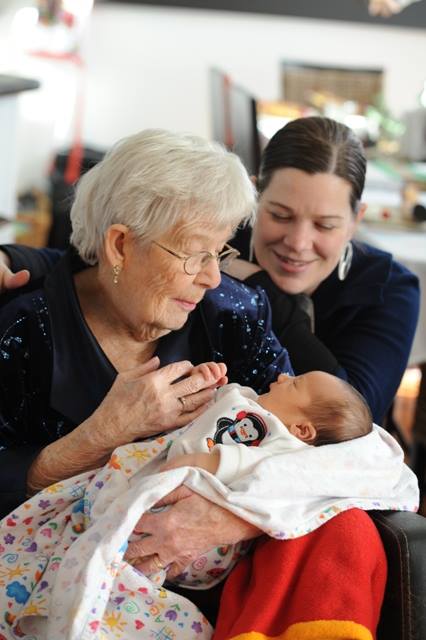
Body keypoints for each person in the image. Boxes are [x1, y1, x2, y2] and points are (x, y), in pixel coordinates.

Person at [0, 123, 393, 639]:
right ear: (120, 245)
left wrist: (238, 516)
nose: (212, 277)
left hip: (214, 588)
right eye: (195, 255)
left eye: (221, 253)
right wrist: (100, 436)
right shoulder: (24, 331)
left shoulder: (233, 314)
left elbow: (330, 451)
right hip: (56, 576)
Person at [0, 363, 416, 639]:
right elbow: (220, 407)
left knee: (116, 564)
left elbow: (258, 465)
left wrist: (209, 461)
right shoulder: (258, 404)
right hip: (135, 495)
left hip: (196, 537)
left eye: (296, 384)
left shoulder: (286, 447)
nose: (283, 376)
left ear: (303, 429)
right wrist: (213, 380)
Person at [228, 116, 420, 425]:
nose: (298, 243)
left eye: (324, 225)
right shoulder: (215, 250)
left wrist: (262, 290)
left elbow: (350, 414)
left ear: (355, 221)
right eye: (280, 215)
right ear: (253, 197)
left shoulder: (388, 288)